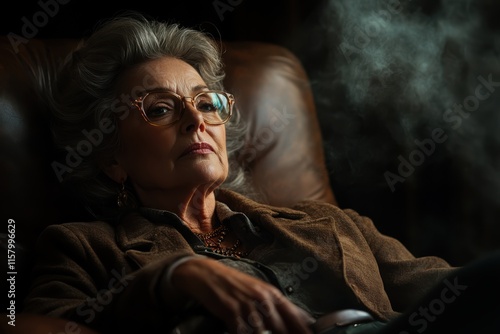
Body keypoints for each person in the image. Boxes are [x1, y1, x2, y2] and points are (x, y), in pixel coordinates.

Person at [23, 12, 500, 334]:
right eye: (161, 109)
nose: (197, 119)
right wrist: (173, 277)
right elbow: (39, 325)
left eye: (207, 102)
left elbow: (449, 292)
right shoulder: (81, 247)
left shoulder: (330, 221)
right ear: (111, 156)